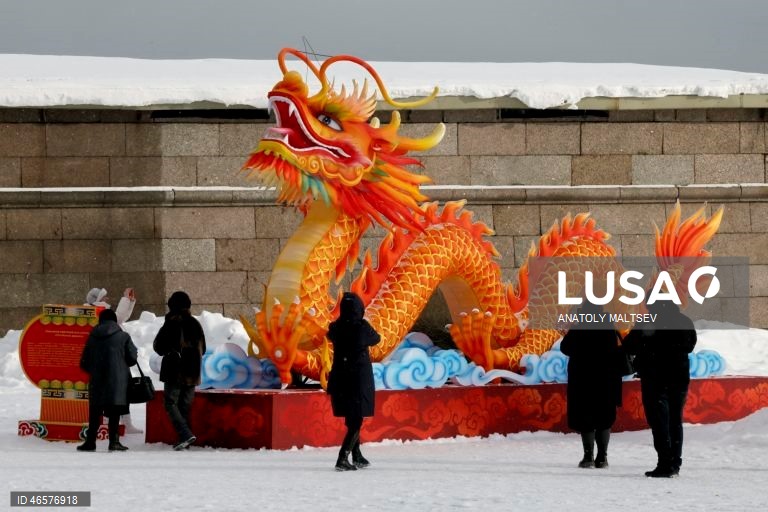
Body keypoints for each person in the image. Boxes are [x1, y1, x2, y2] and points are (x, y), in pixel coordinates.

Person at [623, 300, 696, 478]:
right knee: (675, 421)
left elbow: (629, 345)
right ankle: (675, 463)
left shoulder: (648, 321)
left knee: (659, 422)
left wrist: (649, 345)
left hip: (654, 378)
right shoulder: (683, 320)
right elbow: (690, 344)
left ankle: (664, 463)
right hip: (678, 378)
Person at [560, 302, 624, 469]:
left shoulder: (580, 326)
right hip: (606, 380)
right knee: (604, 418)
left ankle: (588, 456)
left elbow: (565, 348)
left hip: (583, 380)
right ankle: (602, 457)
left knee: (586, 418)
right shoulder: (608, 325)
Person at [326, 292, 381, 471]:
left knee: (352, 418)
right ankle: (343, 457)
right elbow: (376, 338)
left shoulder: (336, 328)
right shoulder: (362, 328)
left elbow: (330, 335)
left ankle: (357, 455)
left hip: (341, 378)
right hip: (357, 380)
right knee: (356, 420)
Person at [77, 309, 138, 452]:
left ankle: (90, 442)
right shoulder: (123, 336)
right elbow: (132, 359)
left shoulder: (92, 336)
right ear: (115, 321)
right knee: (114, 411)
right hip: (117, 382)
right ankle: (114, 442)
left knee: (95, 411)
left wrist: (96, 371)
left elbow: (84, 362)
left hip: (97, 381)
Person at [152, 291, 206, 451]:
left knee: (170, 402)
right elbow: (203, 349)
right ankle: (186, 438)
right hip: (192, 371)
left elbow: (158, 346)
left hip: (175, 370)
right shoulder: (195, 323)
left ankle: (185, 434)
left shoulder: (172, 322)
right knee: (184, 406)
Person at [85, 287, 142, 434]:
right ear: (98, 300)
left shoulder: (99, 313)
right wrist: (126, 298)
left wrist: (129, 301)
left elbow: (121, 317)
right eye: (104, 297)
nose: (107, 299)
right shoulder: (99, 311)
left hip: (107, 361)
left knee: (112, 393)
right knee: (120, 393)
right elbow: (120, 316)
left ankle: (113, 423)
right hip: (115, 360)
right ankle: (116, 426)